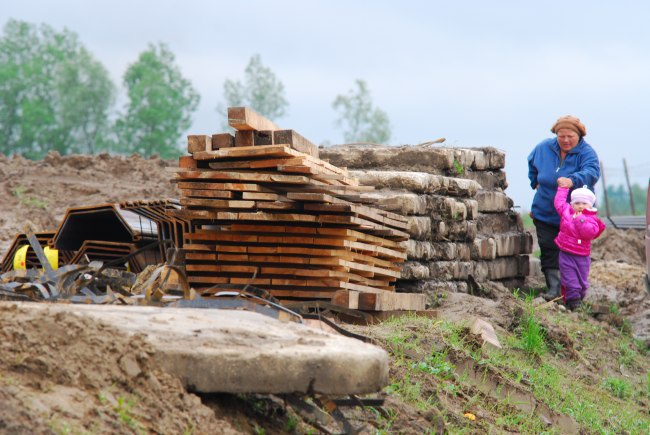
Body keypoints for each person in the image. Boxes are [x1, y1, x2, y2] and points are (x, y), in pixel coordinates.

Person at [527, 115, 601, 301]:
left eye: (570, 136)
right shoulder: (543, 148)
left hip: (574, 216)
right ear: (556, 135)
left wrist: (573, 180)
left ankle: (574, 290)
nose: (566, 140)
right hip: (544, 210)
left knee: (571, 253)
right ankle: (553, 288)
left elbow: (592, 173)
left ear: (579, 136)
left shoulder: (587, 153)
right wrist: (534, 182)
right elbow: (532, 164)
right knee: (548, 247)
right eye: (561, 136)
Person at [553, 184, 606, 310]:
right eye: (577, 203)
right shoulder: (567, 212)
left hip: (582, 256)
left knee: (582, 283)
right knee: (570, 279)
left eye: (584, 203)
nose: (580, 206)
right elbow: (559, 203)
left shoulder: (591, 219)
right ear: (572, 203)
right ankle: (572, 302)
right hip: (566, 253)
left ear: (590, 205)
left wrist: (580, 219)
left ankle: (578, 297)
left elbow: (590, 233)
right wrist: (563, 189)